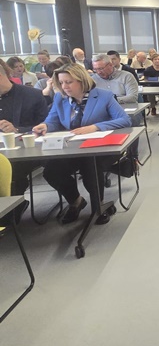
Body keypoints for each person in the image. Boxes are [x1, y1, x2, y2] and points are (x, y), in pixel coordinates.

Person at [32, 64, 130, 225]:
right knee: (51, 171)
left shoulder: (104, 96)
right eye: (61, 82)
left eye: (69, 82)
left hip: (101, 148)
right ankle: (76, 201)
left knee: (90, 166)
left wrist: (95, 127)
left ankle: (98, 206)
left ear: (82, 81)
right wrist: (45, 126)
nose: (64, 86)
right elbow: (53, 120)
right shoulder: (60, 98)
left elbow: (124, 120)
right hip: (73, 148)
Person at [0, 59, 48, 209]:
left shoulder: (32, 95)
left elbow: (46, 126)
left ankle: (11, 210)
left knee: (10, 172)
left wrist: (17, 130)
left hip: (26, 150)